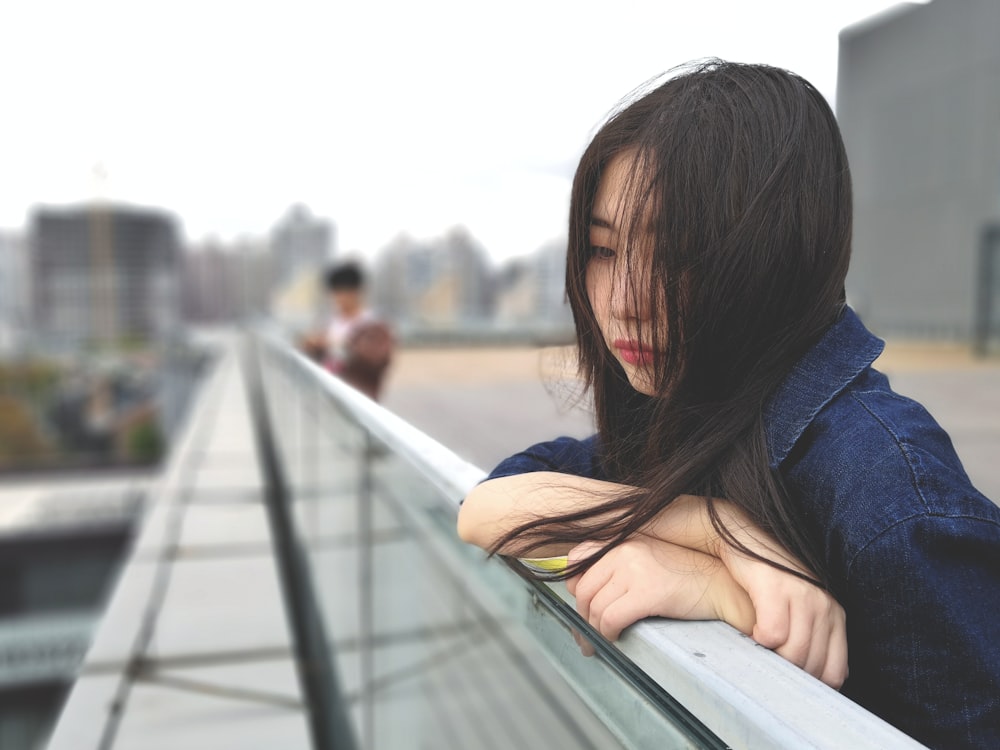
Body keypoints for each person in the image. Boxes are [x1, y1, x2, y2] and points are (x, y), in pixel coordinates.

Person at [456, 60, 1000, 749]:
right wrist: (713, 535)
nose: (622, 301)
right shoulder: (698, 406)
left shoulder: (885, 487)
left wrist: (724, 594)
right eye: (600, 248)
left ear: (780, 252)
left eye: (678, 253)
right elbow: (487, 507)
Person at [304, 260, 394, 401]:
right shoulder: (330, 323)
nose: (338, 299)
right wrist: (313, 347)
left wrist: (340, 344)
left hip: (359, 401)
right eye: (335, 293)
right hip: (329, 398)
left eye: (343, 292)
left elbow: (377, 360)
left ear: (355, 292)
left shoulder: (374, 326)